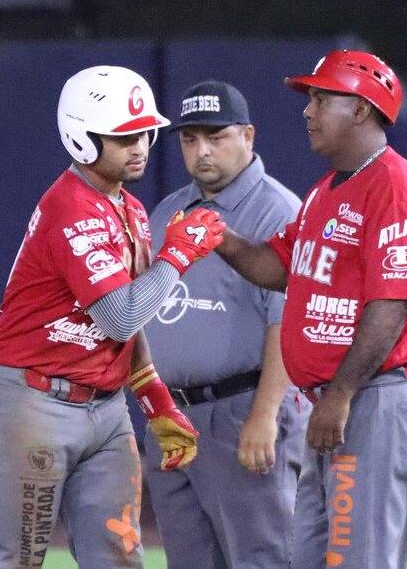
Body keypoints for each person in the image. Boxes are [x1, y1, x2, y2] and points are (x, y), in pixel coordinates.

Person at [0, 65, 226, 569]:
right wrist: (178, 256)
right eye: (122, 135)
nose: (141, 145)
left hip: (104, 410)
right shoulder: (72, 207)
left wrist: (154, 397)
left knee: (120, 560)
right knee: (14, 562)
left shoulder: (127, 208)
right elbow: (120, 318)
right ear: (81, 137)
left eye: (145, 132)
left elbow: (133, 323)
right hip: (32, 402)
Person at [214, 50, 407, 568]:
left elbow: (392, 303)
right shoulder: (325, 191)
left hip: (376, 397)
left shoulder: (393, 186)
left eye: (321, 97)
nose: (307, 110)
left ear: (361, 110)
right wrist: (221, 240)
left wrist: (339, 395)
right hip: (340, 400)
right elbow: (280, 265)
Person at [142, 81, 309, 569]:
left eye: (216, 137)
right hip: (172, 416)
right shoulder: (169, 210)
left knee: (262, 558)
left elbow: (288, 322)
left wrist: (264, 414)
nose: (202, 151)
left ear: (248, 136)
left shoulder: (277, 210)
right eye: (190, 139)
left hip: (241, 411)